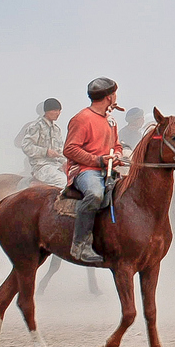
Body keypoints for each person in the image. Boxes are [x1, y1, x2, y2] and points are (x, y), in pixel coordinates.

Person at [62, 77, 125, 263]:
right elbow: (69, 149)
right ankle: (80, 244)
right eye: (114, 94)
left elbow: (117, 145)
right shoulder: (81, 119)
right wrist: (98, 160)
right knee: (95, 194)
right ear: (108, 97)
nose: (115, 97)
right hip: (85, 170)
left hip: (107, 169)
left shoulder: (111, 120)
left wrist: (118, 155)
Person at [16, 98, 66, 187]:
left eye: (59, 111)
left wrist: (66, 162)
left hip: (57, 165)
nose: (57, 113)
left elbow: (60, 151)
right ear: (46, 111)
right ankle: (59, 201)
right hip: (42, 166)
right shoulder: (35, 126)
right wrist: (45, 152)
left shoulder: (56, 129)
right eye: (55, 110)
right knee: (64, 182)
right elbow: (26, 146)